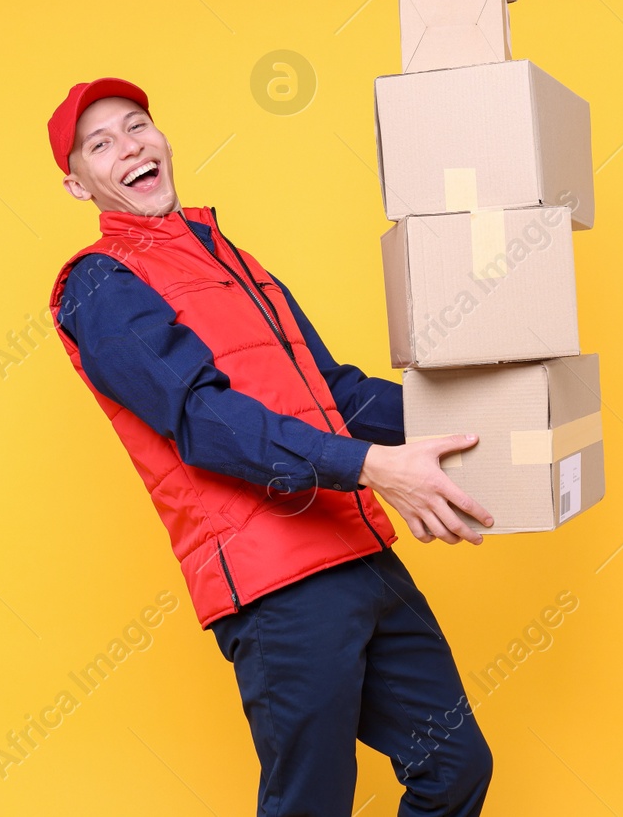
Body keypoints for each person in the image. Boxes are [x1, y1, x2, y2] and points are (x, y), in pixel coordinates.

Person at [45, 77, 495, 816]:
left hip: (358, 551)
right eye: (101, 144)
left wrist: (478, 412)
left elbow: (337, 391)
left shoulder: (233, 259)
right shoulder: (100, 285)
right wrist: (374, 467)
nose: (129, 146)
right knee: (311, 804)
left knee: (453, 765)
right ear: (77, 184)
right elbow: (201, 419)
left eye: (137, 126)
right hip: (275, 584)